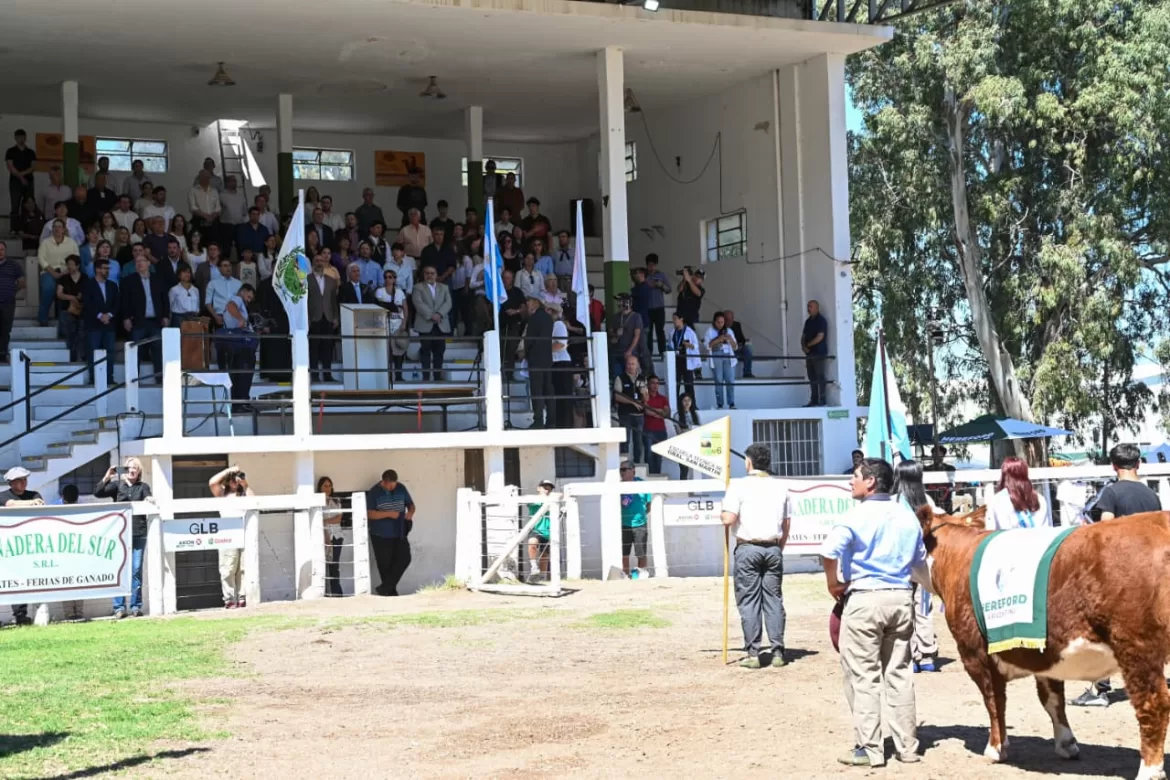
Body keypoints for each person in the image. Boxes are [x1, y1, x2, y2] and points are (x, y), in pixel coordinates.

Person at [820, 457, 925, 768]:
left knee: (863, 677)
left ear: (871, 482)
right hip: (901, 599)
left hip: (865, 600)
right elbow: (920, 564)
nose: (851, 481)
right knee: (900, 674)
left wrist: (833, 583)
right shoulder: (907, 516)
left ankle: (870, 749)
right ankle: (908, 747)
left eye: (855, 476)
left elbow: (828, 552)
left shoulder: (855, 516)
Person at [1071, 442, 1162, 708]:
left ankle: (1100, 689)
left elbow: (1106, 532)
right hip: (1151, 571)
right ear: (1138, 464)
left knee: (1104, 630)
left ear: (1113, 466)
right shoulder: (1151, 495)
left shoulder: (1110, 493)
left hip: (1122, 573)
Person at [721, 443, 791, 668]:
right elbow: (787, 522)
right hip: (773, 548)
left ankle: (753, 653)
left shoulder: (738, 486)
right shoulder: (781, 487)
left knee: (749, 600)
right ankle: (778, 651)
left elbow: (728, 519)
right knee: (773, 599)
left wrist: (722, 513)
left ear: (748, 462)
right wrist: (780, 547)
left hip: (748, 548)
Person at [891, 460, 941, 674]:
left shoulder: (893, 502)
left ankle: (909, 655)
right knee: (924, 609)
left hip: (898, 563)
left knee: (904, 609)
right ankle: (927, 654)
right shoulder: (926, 501)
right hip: (922, 561)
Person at [95, 458, 153, 619]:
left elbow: (148, 497)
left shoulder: (143, 487)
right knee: (120, 570)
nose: (132, 470)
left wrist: (149, 499)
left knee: (136, 570)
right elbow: (98, 492)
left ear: (139, 471)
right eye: (130, 468)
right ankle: (119, 607)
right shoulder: (117, 486)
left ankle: (135, 606)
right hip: (120, 535)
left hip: (138, 533)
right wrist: (108, 475)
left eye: (136, 468)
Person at [1, 466, 44, 626]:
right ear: (11, 483)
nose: (24, 483)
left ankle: (21, 614)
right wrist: (31, 503)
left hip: (28, 544)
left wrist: (33, 502)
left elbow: (40, 503)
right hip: (7, 546)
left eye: (25, 479)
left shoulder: (34, 494)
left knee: (24, 578)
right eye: (20, 480)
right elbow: (10, 504)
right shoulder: (4, 496)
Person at [208, 465, 253, 608]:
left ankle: (242, 597)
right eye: (232, 479)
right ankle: (229, 599)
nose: (235, 481)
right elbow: (212, 482)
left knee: (244, 568)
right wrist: (229, 470)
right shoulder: (222, 493)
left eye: (236, 479)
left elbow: (254, 500)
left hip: (244, 533)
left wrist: (245, 484)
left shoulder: (244, 493)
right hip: (227, 534)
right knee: (228, 567)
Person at [366, 469, 415, 596]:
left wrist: (410, 514)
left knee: (405, 558)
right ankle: (390, 593)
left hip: (399, 532)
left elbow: (411, 505)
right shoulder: (374, 492)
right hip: (380, 535)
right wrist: (389, 514)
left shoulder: (401, 488)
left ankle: (385, 588)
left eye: (394, 484)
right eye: (390, 485)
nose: (393, 487)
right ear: (384, 481)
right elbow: (369, 514)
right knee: (385, 565)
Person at [121, 253, 169, 381]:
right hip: (138, 321)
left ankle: (160, 379)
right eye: (137, 261)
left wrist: (165, 315)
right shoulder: (128, 280)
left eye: (142, 261)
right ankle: (133, 379)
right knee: (134, 350)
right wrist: (126, 318)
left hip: (155, 321)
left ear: (149, 263)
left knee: (158, 350)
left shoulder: (158, 278)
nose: (139, 263)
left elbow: (164, 299)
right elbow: (124, 301)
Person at [411, 265, 452, 382]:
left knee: (439, 352)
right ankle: (426, 378)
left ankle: (437, 377)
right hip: (425, 323)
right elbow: (418, 303)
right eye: (427, 273)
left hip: (441, 324)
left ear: (436, 275)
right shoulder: (418, 287)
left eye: (432, 273)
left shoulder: (444, 287)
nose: (429, 275)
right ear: (423, 275)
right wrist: (431, 315)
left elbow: (448, 303)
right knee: (425, 351)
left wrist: (439, 314)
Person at [986, 456, 1050, 530]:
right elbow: (1045, 529)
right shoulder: (1040, 499)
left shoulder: (997, 500)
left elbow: (991, 529)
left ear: (1004, 476)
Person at [221, 284, 258, 410]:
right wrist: (241, 319)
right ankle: (242, 402)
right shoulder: (237, 299)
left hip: (235, 343)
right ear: (243, 291)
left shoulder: (239, 302)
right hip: (242, 344)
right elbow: (231, 306)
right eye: (248, 296)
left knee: (237, 374)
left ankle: (238, 404)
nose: (249, 300)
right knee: (244, 373)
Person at [521, 293, 555, 429]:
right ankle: (552, 420)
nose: (527, 304)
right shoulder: (548, 318)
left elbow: (529, 339)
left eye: (529, 301)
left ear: (536, 302)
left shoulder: (534, 318)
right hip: (547, 357)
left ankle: (538, 419)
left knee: (537, 390)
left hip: (535, 357)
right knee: (548, 388)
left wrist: (526, 352)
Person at [84, 257, 119, 384]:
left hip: (109, 324)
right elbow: (88, 303)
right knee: (93, 351)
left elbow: (117, 303)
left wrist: (109, 315)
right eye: (105, 268)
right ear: (97, 270)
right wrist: (100, 315)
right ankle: (94, 378)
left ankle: (109, 377)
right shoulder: (88, 284)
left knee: (110, 351)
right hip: (93, 324)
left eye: (108, 268)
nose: (107, 271)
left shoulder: (113, 285)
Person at [38, 219, 80, 326]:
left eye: (60, 226)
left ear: (64, 229)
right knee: (49, 287)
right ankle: (43, 318)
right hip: (49, 272)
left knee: (69, 288)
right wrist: (54, 273)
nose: (57, 229)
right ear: (52, 229)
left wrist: (68, 271)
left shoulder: (71, 242)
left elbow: (76, 258)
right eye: (54, 227)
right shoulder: (45, 242)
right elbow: (41, 259)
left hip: (67, 272)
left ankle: (64, 320)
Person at [375, 269, 410, 381]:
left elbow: (405, 308)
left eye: (390, 277)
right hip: (384, 324)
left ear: (394, 279)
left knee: (398, 350)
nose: (387, 279)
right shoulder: (380, 291)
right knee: (387, 352)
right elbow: (380, 306)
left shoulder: (400, 292)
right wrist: (393, 307)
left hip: (398, 323)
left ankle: (398, 376)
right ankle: (388, 376)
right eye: (385, 277)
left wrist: (404, 323)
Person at [613, 355, 647, 463]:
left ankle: (637, 464)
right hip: (625, 414)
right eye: (628, 363)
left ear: (637, 365)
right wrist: (632, 402)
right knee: (625, 441)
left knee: (638, 442)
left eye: (633, 364)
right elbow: (617, 396)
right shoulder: (620, 378)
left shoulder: (642, 378)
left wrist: (644, 394)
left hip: (639, 415)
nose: (630, 366)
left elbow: (646, 399)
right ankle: (625, 464)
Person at [619, 461, 651, 576]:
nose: (621, 473)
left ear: (633, 471)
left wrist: (640, 517)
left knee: (641, 552)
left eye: (624, 469)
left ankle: (641, 574)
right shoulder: (618, 486)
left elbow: (648, 505)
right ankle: (626, 575)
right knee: (624, 553)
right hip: (624, 524)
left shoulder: (642, 484)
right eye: (620, 470)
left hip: (640, 525)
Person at [705, 311, 738, 409]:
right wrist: (718, 339)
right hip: (716, 355)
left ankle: (731, 402)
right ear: (714, 322)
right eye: (718, 322)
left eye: (722, 322)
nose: (720, 324)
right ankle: (720, 403)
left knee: (729, 379)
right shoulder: (709, 331)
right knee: (718, 380)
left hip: (728, 355)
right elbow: (707, 346)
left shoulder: (729, 331)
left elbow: (735, 347)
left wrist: (730, 339)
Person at [319, 476, 345, 598]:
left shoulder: (336, 501)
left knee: (334, 565)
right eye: (325, 485)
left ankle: (337, 593)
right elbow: (318, 520)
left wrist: (325, 521)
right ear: (320, 487)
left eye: (329, 485)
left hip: (337, 536)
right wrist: (325, 534)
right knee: (323, 565)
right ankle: (325, 592)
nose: (328, 488)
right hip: (324, 536)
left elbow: (338, 518)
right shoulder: (318, 502)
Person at [526, 479, 557, 582]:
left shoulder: (553, 500)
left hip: (549, 531)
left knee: (545, 555)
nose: (547, 489)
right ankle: (534, 567)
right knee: (532, 543)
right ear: (538, 488)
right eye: (544, 487)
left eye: (549, 488)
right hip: (537, 529)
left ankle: (542, 577)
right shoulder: (534, 499)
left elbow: (561, 495)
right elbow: (527, 501)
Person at [56, 254, 85, 362]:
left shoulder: (84, 278)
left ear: (77, 266)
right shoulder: (64, 278)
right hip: (67, 310)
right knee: (69, 336)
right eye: (68, 264)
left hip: (81, 310)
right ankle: (71, 359)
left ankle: (80, 357)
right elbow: (59, 293)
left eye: (72, 264)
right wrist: (72, 298)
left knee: (82, 335)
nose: (69, 266)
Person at [6, 129, 36, 233]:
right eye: (18, 137)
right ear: (15, 138)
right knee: (15, 205)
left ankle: (26, 228)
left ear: (25, 138)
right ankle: (14, 228)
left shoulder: (31, 152)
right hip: (15, 183)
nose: (20, 139)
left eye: (22, 137)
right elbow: (10, 167)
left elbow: (32, 167)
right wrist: (21, 177)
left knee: (29, 205)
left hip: (29, 182)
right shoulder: (10, 151)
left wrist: (22, 175)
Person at [0, 243, 26, 361]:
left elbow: (22, 281)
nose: (0, 251)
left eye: (2, 249)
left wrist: (12, 290)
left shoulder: (14, 265)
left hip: (8, 302)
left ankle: (2, 353)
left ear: (5, 251)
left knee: (5, 329)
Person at [609, 293, 643, 380]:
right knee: (617, 377)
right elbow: (610, 331)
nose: (618, 304)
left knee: (631, 376)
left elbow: (637, 335)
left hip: (630, 353)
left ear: (627, 302)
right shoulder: (616, 316)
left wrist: (630, 351)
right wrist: (616, 333)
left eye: (621, 301)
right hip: (616, 352)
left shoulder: (636, 317)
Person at [642, 376, 672, 474]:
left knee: (658, 457)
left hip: (661, 431)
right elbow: (646, 410)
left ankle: (657, 476)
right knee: (649, 456)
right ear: (648, 384)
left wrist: (654, 411)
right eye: (652, 383)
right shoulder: (645, 397)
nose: (655, 385)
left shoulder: (663, 398)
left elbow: (667, 414)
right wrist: (659, 412)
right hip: (648, 430)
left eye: (657, 383)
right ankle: (650, 478)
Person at [802, 300, 829, 406]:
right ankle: (814, 400)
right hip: (809, 354)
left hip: (819, 353)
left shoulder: (822, 321)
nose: (809, 308)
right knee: (811, 377)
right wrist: (803, 347)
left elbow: (820, 336)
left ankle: (822, 399)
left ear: (817, 308)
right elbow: (803, 336)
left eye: (811, 306)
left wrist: (808, 345)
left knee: (820, 376)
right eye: (808, 306)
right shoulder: (808, 321)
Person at [643, 255, 670, 356]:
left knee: (660, 331)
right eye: (649, 265)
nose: (651, 267)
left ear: (656, 265)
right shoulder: (644, 275)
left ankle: (662, 351)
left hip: (659, 308)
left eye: (653, 265)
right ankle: (648, 352)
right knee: (648, 332)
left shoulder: (661, 275)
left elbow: (669, 289)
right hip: (647, 308)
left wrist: (661, 285)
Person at [924, 444, 957, 513]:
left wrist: (955, 488)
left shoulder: (950, 468)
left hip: (946, 500)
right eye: (934, 454)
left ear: (943, 455)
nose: (936, 456)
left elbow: (957, 482)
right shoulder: (926, 469)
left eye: (939, 454)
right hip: (931, 500)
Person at [674, 394, 700, 480]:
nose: (687, 402)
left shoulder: (695, 414)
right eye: (684, 400)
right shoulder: (677, 415)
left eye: (689, 400)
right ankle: (683, 490)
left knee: (695, 470)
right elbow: (679, 432)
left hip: (694, 444)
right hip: (683, 445)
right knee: (684, 469)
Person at [724, 309, 754, 378]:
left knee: (748, 349)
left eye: (731, 319)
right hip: (726, 350)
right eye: (727, 319)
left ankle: (747, 373)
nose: (729, 321)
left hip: (736, 348)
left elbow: (742, 339)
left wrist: (740, 344)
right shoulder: (721, 326)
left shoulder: (737, 325)